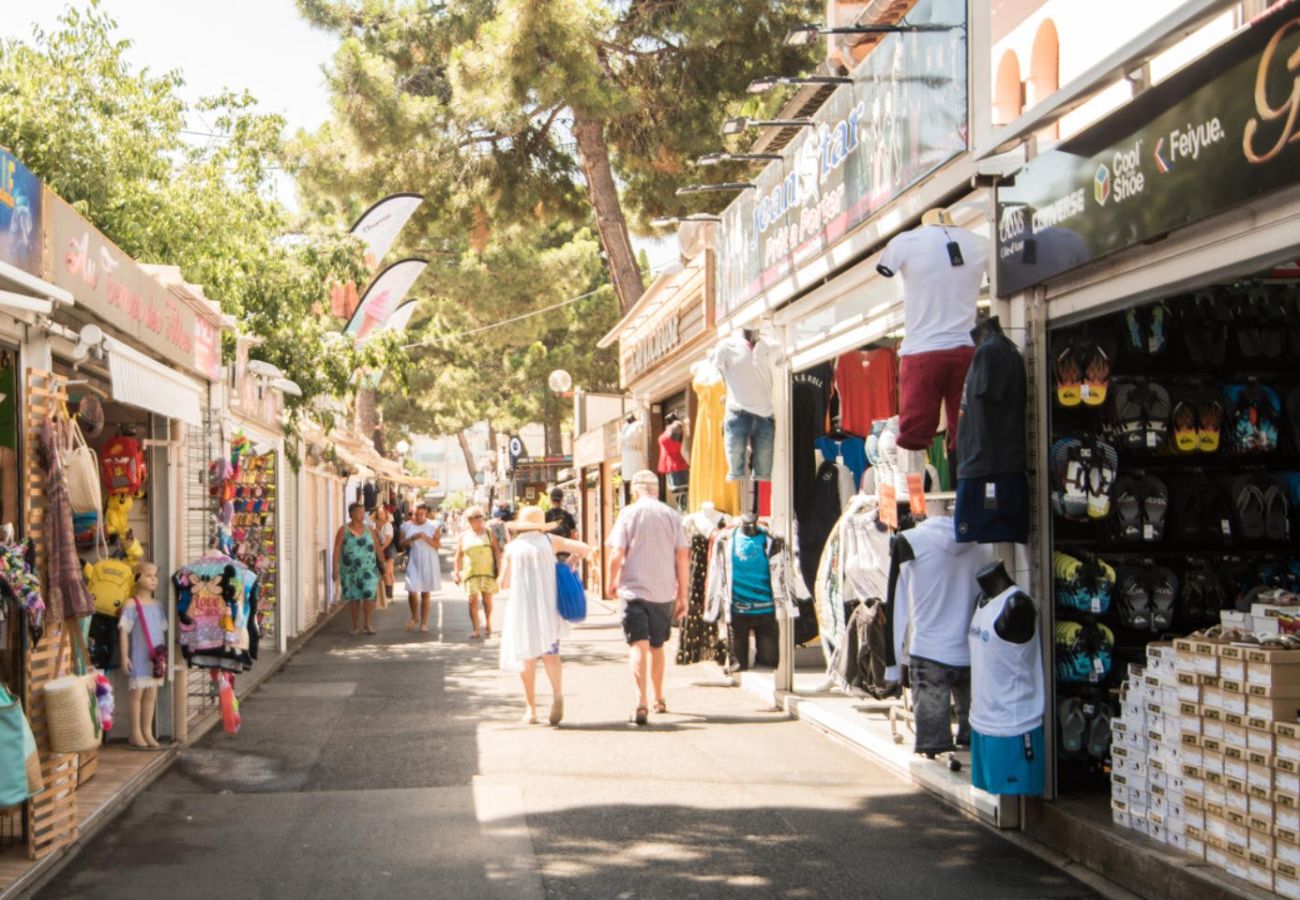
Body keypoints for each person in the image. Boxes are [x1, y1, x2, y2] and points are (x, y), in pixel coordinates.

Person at [607, 469, 689, 725]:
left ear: (635, 490)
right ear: (656, 490)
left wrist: (611, 581)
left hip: (634, 590)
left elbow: (617, 553)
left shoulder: (628, 514)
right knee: (657, 646)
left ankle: (641, 700)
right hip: (663, 591)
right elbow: (683, 556)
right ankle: (659, 697)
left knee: (637, 645)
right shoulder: (671, 515)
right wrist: (683, 593)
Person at [498, 506, 590, 725]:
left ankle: (531, 709)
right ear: (541, 525)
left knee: (526, 657)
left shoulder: (512, 548)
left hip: (522, 609)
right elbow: (585, 548)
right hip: (547, 608)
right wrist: (571, 560)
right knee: (551, 654)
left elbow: (503, 583)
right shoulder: (550, 541)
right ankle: (557, 694)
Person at [119, 561, 166, 749]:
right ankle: (135, 732)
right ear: (137, 578)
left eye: (155, 575)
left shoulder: (158, 605)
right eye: (148, 575)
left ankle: (147, 730)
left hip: (156, 657)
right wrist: (124, 656)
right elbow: (124, 631)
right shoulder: (131, 604)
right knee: (136, 694)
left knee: (151, 693)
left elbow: (162, 632)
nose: (153, 579)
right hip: (138, 654)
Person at [334, 502, 384, 636]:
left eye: (363, 512)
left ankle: (368, 624)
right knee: (354, 598)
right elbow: (337, 549)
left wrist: (383, 563)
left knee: (369, 595)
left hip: (369, 569)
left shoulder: (369, 529)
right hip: (350, 571)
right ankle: (355, 626)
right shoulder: (343, 530)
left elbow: (377, 547)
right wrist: (335, 569)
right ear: (351, 514)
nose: (361, 515)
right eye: (358, 512)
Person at [453, 506, 502, 639]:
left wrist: (500, 567)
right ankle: (475, 628)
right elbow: (458, 556)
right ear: (470, 520)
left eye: (482, 516)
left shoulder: (489, 532)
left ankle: (488, 622)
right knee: (472, 600)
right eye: (478, 517)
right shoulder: (464, 536)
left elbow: (497, 551)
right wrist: (457, 572)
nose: (481, 519)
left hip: (488, 571)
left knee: (487, 600)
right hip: (471, 573)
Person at [400, 504, 443, 632]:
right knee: (412, 590)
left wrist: (425, 537)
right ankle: (414, 616)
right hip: (414, 558)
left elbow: (437, 545)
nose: (418, 517)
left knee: (425, 592)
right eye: (415, 514)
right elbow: (400, 543)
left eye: (421, 514)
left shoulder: (434, 525)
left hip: (429, 559)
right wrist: (411, 538)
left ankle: (424, 623)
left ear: (426, 514)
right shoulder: (406, 526)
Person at [371, 505, 396, 608]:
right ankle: (389, 595)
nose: (380, 514)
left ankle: (389, 596)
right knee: (387, 573)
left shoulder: (388, 525)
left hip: (388, 549)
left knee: (387, 573)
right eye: (379, 513)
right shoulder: (375, 525)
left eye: (382, 513)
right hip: (380, 549)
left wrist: (380, 549)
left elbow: (388, 540)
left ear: (386, 514)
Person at [544, 487, 578, 563]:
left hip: (550, 553)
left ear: (550, 499)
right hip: (566, 553)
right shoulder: (568, 516)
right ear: (562, 499)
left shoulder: (546, 515)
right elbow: (573, 536)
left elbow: (542, 534)